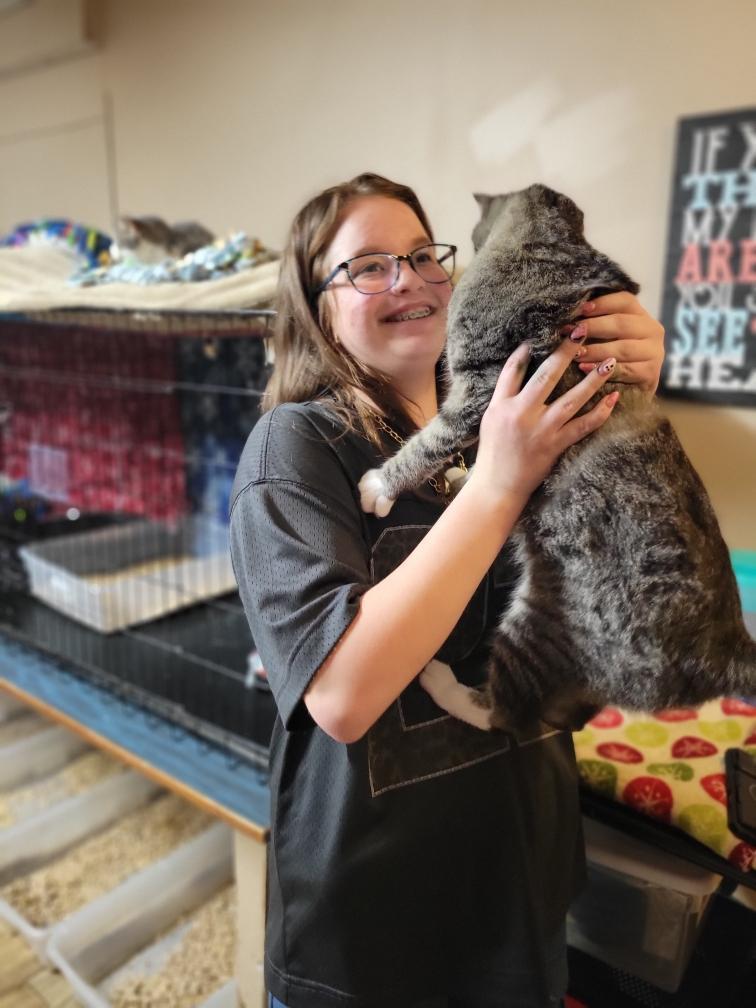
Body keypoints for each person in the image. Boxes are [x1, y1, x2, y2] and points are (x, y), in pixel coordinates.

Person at [230, 172, 664, 1008]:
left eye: (424, 255)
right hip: (372, 935)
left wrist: (630, 393)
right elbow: (343, 696)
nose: (411, 280)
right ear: (318, 310)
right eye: (369, 267)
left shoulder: (512, 419)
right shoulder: (298, 447)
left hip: (519, 899)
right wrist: (500, 483)